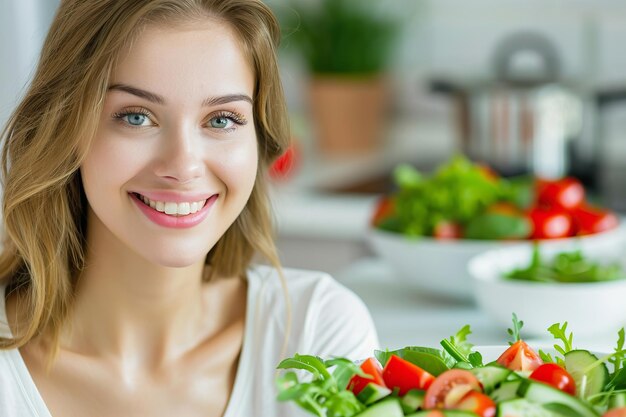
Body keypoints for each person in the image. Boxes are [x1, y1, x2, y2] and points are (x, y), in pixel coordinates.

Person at [0, 1, 379, 416]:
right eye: (135, 117)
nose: (183, 166)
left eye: (221, 120)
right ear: (64, 127)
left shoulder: (315, 334)